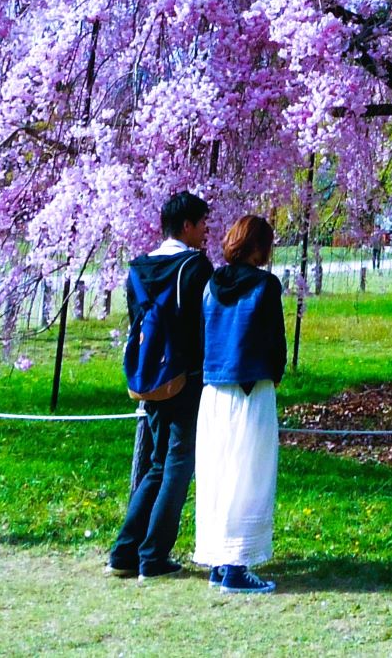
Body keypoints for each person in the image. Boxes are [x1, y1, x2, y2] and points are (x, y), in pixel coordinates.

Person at [109, 191, 214, 581]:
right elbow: (201, 323)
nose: (206, 231)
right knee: (178, 464)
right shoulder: (194, 266)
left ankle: (124, 553)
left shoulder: (139, 267)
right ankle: (153, 556)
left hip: (150, 376)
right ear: (186, 225)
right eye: (202, 222)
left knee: (156, 463)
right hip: (186, 377)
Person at [195, 214, 287, 596]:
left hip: (215, 388)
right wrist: (275, 372)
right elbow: (274, 340)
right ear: (260, 247)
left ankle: (219, 558)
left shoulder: (211, 285)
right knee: (249, 473)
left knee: (217, 474)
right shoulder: (266, 286)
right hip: (252, 387)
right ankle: (237, 563)